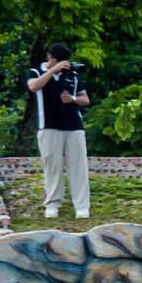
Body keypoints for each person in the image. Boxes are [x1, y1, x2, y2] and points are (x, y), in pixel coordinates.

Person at [27, 47, 91, 222]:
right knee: (52, 166)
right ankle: (52, 204)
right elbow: (33, 86)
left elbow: (85, 99)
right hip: (48, 124)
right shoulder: (35, 71)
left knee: (78, 166)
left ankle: (82, 206)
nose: (63, 64)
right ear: (50, 57)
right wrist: (53, 70)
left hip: (73, 125)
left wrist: (73, 99)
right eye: (59, 60)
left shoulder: (73, 74)